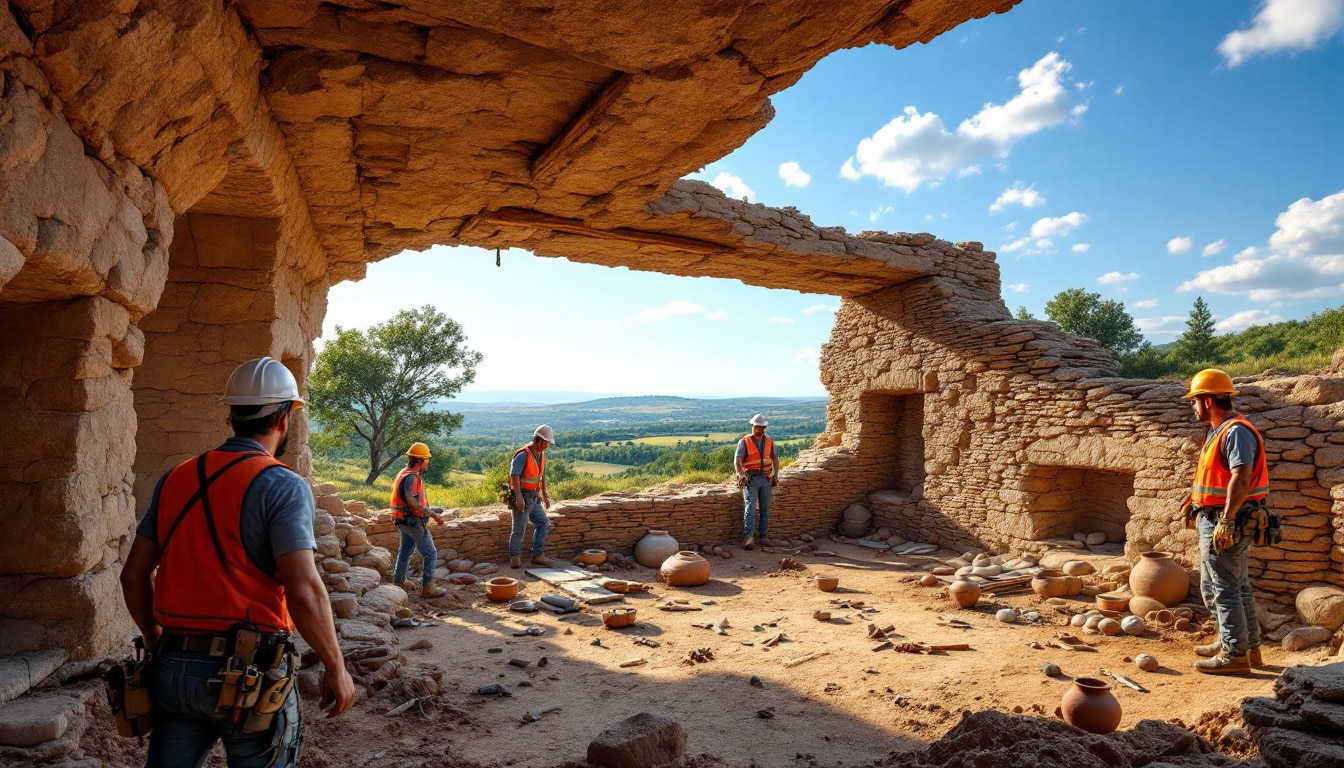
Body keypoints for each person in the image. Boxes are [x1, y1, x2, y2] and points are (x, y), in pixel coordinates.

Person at [119, 356, 355, 767]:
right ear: (285, 418)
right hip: (251, 674)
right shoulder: (282, 484)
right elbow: (303, 589)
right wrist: (336, 665)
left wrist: (159, 645)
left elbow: (133, 576)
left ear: (230, 416)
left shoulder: (176, 477)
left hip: (174, 665)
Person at [1183, 368, 1268, 675]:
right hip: (1216, 515)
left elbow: (1241, 476)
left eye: (1194, 401)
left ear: (1207, 401)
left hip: (1228, 520)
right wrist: (1195, 500)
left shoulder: (1235, 432)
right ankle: (1247, 648)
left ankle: (1234, 655)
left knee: (1223, 589)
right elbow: (1215, 477)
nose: (1192, 407)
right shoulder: (1219, 430)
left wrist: (1227, 520)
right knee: (1235, 586)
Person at [391, 442, 447, 598]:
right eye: (426, 459)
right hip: (413, 522)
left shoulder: (403, 472)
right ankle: (428, 588)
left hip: (402, 520)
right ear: (420, 461)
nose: (427, 462)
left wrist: (431, 510)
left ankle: (399, 581)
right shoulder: (412, 478)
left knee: (405, 552)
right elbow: (412, 503)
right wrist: (434, 515)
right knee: (431, 553)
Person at [508, 425, 556, 568]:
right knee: (518, 531)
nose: (548, 446)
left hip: (534, 498)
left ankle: (538, 555)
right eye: (546, 443)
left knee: (543, 523)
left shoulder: (541, 456)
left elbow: (542, 477)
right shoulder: (522, 455)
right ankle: (515, 559)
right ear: (538, 440)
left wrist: (545, 495)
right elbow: (514, 476)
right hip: (523, 497)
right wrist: (518, 498)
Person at [735, 413, 780, 549]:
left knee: (765, 508)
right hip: (751, 479)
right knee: (750, 508)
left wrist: (776, 474)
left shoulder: (769, 441)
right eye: (757, 427)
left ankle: (763, 536)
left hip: (766, 478)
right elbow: (738, 460)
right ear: (752, 426)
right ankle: (749, 538)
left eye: (761, 427)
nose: (759, 429)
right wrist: (740, 474)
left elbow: (775, 458)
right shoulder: (745, 441)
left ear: (764, 427)